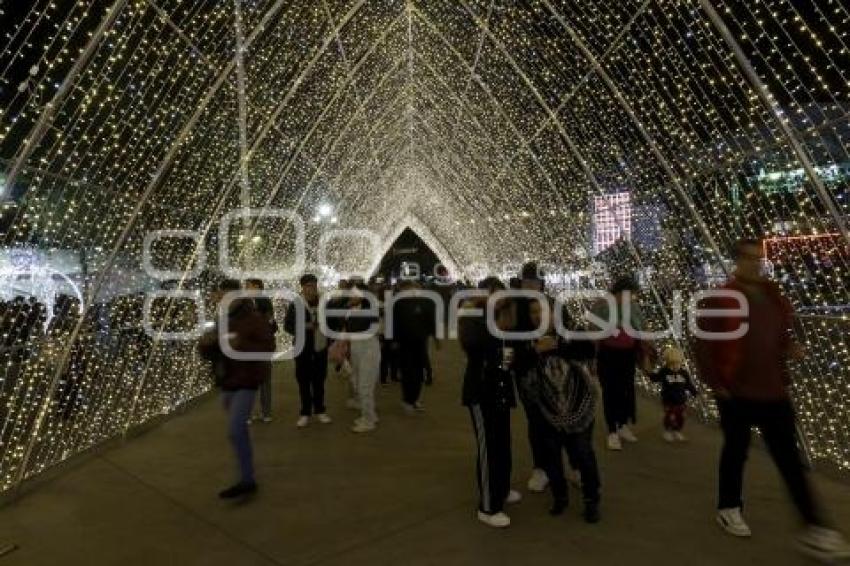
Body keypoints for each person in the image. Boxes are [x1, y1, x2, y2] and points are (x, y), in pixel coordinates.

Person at [696, 238, 850, 560]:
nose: (755, 264)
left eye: (758, 258)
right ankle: (728, 507)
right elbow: (704, 343)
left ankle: (814, 527)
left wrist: (789, 348)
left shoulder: (772, 296)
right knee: (736, 451)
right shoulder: (723, 297)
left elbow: (780, 334)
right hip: (736, 392)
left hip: (773, 391)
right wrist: (716, 384)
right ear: (737, 261)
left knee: (789, 460)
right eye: (749, 258)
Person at [520, 299, 600, 523]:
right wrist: (535, 350)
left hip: (579, 407)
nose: (538, 315)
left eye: (543, 311)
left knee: (582, 453)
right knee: (551, 456)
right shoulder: (526, 340)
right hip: (545, 411)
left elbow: (586, 350)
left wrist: (558, 347)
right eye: (533, 311)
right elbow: (518, 366)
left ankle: (591, 499)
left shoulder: (572, 331)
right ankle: (560, 496)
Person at [198, 279, 275, 499]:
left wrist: (240, 343)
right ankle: (247, 475)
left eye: (224, 295)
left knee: (235, 430)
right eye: (219, 296)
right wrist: (206, 345)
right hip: (228, 382)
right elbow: (212, 352)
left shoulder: (254, 319)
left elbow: (268, 347)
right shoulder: (222, 320)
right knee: (238, 431)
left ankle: (247, 480)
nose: (221, 300)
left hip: (247, 381)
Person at [459, 277, 522, 528]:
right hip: (480, 391)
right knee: (488, 450)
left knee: (503, 443)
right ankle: (487, 506)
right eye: (492, 293)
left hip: (501, 389)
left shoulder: (503, 318)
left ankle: (502, 489)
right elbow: (473, 343)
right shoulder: (472, 315)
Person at [592, 275, 647, 451]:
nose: (631, 297)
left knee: (626, 389)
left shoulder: (633, 306)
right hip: (608, 355)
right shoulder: (602, 305)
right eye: (629, 293)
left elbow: (641, 325)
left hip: (627, 355)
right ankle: (612, 431)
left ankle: (623, 424)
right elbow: (593, 327)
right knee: (610, 391)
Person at [512, 262, 551, 493]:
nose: (532, 286)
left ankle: (568, 464)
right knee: (536, 421)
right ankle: (540, 467)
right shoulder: (515, 308)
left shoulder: (552, 305)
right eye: (527, 282)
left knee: (559, 420)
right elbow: (510, 345)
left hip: (555, 374)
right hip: (527, 374)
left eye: (535, 282)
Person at [284, 274, 331, 428]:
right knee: (303, 381)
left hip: (320, 347)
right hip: (302, 349)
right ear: (302, 287)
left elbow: (332, 322)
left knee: (319, 380)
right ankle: (305, 413)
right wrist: (305, 326)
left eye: (314, 285)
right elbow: (287, 326)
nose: (312, 289)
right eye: (309, 286)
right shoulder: (295, 304)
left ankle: (320, 410)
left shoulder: (323, 302)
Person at [391, 280, 437, 414]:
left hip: (420, 342)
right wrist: (393, 340)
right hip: (404, 343)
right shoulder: (398, 304)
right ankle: (407, 400)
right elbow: (394, 322)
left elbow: (431, 320)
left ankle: (415, 399)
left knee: (418, 372)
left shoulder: (426, 302)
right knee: (407, 372)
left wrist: (435, 337)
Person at [343, 281, 381, 433]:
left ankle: (369, 420)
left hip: (368, 348)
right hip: (357, 348)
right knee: (358, 382)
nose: (350, 296)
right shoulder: (351, 309)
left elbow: (371, 329)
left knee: (365, 386)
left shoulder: (370, 309)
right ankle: (370, 414)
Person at [649, 346, 698, 442]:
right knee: (670, 415)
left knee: (680, 416)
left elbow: (688, 384)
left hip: (681, 400)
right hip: (668, 400)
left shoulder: (684, 373)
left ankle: (677, 430)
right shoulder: (664, 371)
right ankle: (667, 431)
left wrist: (694, 392)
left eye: (677, 363)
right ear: (668, 363)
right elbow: (655, 378)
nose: (675, 366)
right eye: (672, 364)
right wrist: (649, 373)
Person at [245, 278, 276, 423]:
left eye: (248, 286)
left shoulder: (264, 301)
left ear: (256, 287)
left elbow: (270, 322)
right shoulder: (245, 302)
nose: (246, 288)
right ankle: (253, 413)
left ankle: (265, 412)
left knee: (263, 381)